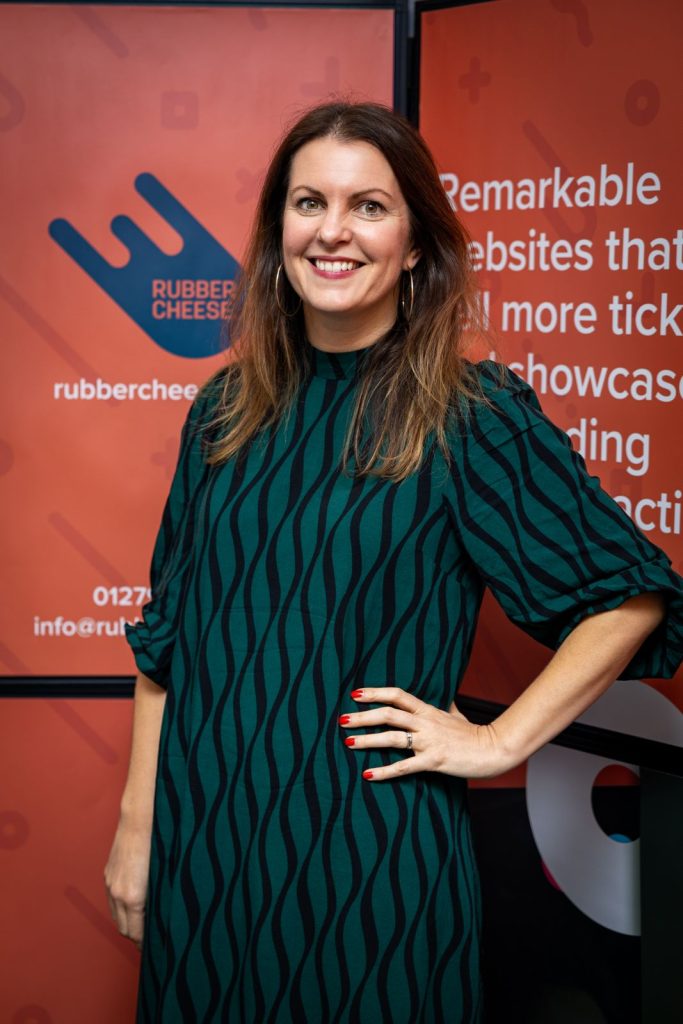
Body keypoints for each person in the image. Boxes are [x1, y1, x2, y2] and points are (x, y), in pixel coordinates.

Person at [104, 101, 683, 1024]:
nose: (332, 231)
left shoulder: (468, 414)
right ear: (279, 230)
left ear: (414, 245)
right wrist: (139, 827)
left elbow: (628, 594)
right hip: (206, 853)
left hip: (369, 864)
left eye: (368, 206)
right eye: (308, 203)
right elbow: (166, 640)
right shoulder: (222, 410)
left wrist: (497, 742)